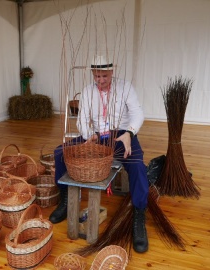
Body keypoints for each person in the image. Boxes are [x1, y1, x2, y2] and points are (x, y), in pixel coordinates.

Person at [49, 55, 150, 253]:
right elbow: (82, 120)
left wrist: (129, 132)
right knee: (60, 152)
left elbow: (138, 113)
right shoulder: (87, 92)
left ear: (112, 72)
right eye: (97, 76)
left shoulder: (126, 87)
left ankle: (139, 215)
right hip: (96, 136)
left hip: (122, 135)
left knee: (137, 164)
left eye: (104, 76)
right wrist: (90, 135)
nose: (101, 80)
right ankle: (65, 201)